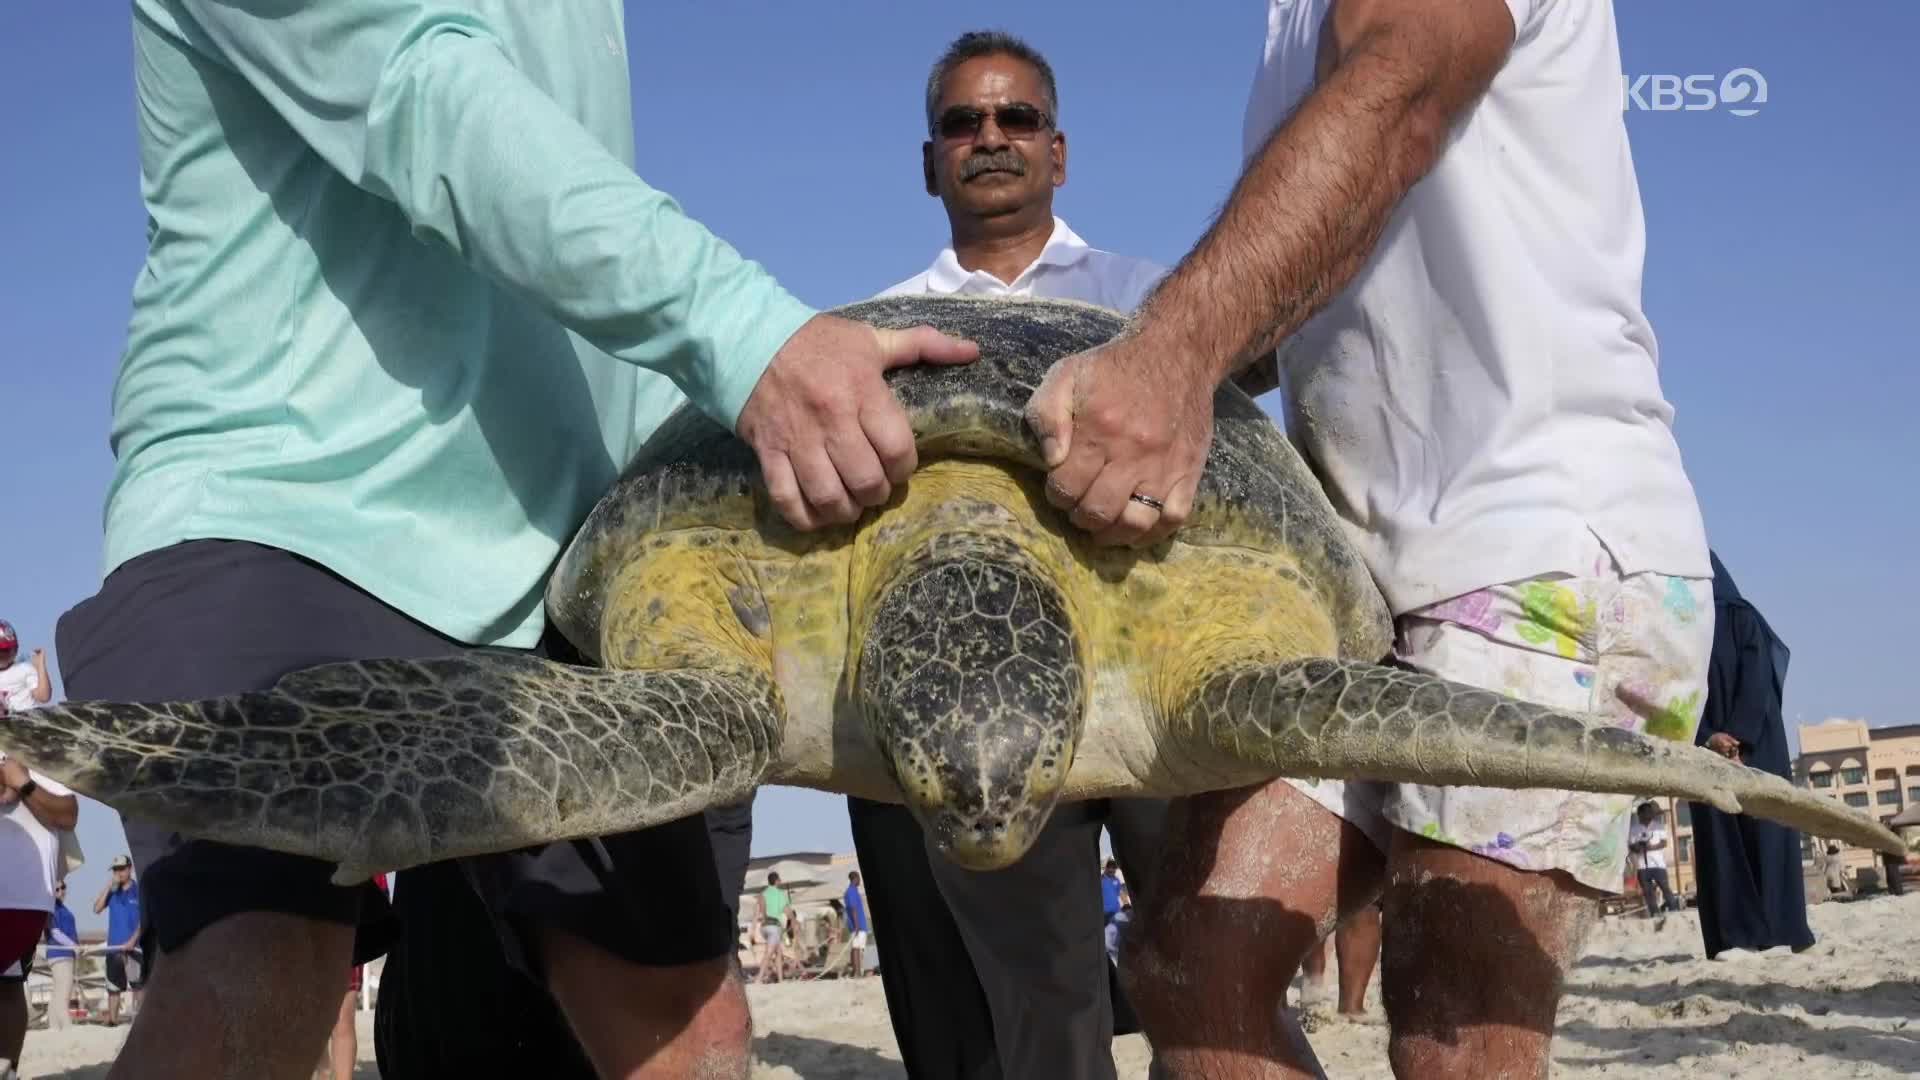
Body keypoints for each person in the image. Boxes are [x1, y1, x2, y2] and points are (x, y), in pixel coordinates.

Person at [54, 6, 976, 1080]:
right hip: (281, 499)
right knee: (265, 976)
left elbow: (564, 271)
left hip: (554, 545)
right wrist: (754, 338)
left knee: (684, 1017)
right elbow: (423, 99)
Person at [1025, 1, 1716, 1076]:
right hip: (1348, 582)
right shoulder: (1285, 19)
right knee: (1193, 971)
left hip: (1532, 540)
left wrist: (1172, 351)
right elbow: (1317, 264)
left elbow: (1403, 90)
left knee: (1454, 1027)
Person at [852, 30, 1171, 1080]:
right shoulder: (879, 330)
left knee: (1208, 955)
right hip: (984, 695)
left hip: (1152, 658)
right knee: (1042, 993)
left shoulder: (1153, 299)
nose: (991, 138)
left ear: (1058, 150)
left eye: (1016, 118)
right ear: (930, 158)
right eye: (963, 122)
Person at [1688, 552, 1815, 957]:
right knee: (1719, 839)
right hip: (1704, 750)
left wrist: (1737, 736)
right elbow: (1677, 697)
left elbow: (1758, 681)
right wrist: (1708, 737)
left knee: (1767, 831)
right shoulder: (1681, 631)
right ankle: (1732, 936)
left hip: (1757, 743)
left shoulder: (1742, 620)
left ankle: (1780, 928)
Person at [0, 754, 80, 1080]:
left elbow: (68, 814)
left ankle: (9, 1069)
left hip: (24, 895)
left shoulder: (36, 748)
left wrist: (23, 783)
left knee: (8, 985)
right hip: (22, 897)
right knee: (8, 985)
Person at [94, 855, 144, 1026]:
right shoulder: (112, 892)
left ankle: (138, 1021)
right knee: (113, 989)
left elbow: (144, 920)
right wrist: (109, 885)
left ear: (130, 868)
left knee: (137, 985)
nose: (119, 873)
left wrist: (133, 940)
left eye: (122, 869)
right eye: (116, 870)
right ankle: (112, 1021)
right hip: (114, 948)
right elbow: (97, 908)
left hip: (134, 948)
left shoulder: (139, 891)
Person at [1628, 804, 1679, 918]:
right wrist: (1639, 846)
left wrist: (1651, 847)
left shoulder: (1658, 826)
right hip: (1642, 866)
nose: (1650, 814)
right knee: (1648, 892)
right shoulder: (1634, 829)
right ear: (1640, 814)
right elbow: (1632, 846)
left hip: (1658, 864)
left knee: (1665, 888)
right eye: (1648, 812)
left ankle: (1674, 911)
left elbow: (1664, 843)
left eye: (1651, 812)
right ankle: (1655, 914)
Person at [43, 882, 80, 1031]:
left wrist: (75, 947)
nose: (61, 891)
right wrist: (75, 946)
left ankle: (53, 1028)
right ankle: (67, 1028)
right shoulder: (50, 908)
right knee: (64, 994)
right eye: (56, 888)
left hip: (65, 954)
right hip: (60, 954)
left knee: (58, 992)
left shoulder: (62, 908)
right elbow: (55, 932)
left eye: (63, 887)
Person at [0, 624, 52, 716]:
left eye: (5, 653)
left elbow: (43, 697)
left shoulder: (24, 669)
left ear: (15, 650)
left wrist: (40, 666)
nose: (1, 658)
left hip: (25, 724)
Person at [755, 873, 791, 984]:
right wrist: (794, 921)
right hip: (774, 926)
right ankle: (758, 979)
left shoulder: (763, 893)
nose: (780, 881)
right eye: (779, 879)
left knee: (778, 953)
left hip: (764, 927)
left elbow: (760, 911)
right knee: (769, 953)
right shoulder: (780, 894)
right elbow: (787, 910)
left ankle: (780, 980)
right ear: (776, 881)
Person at [842, 871, 870, 977]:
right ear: (855, 878)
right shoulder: (851, 891)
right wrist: (857, 925)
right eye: (859, 878)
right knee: (857, 948)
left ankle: (856, 971)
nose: (860, 881)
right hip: (858, 925)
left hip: (857, 925)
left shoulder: (851, 891)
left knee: (857, 947)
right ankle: (857, 972)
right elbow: (853, 908)